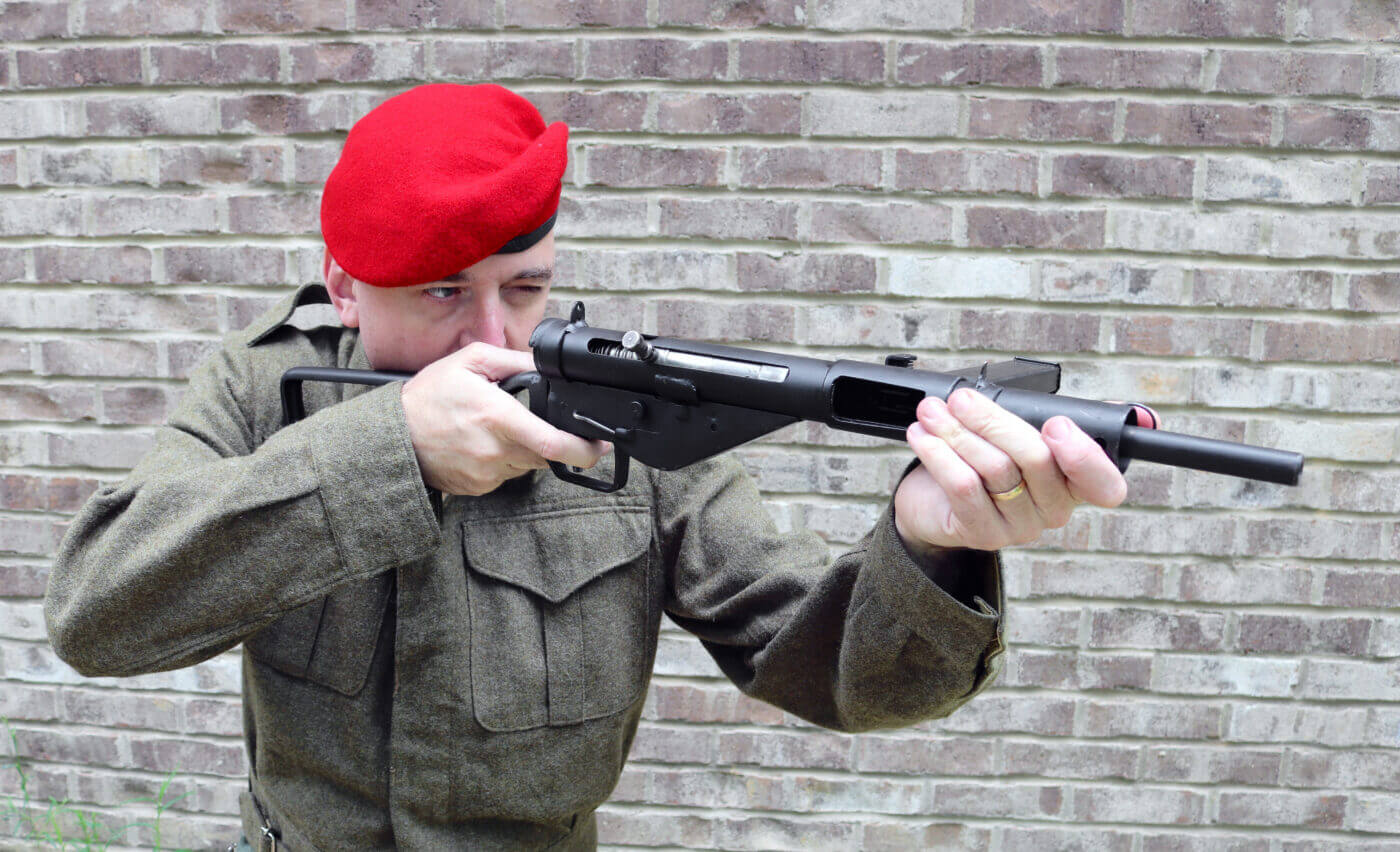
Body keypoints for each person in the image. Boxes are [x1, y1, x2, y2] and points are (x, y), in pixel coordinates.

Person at [46, 84, 1141, 851]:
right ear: (342, 288)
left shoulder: (626, 411)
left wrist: (929, 541)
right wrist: (389, 456)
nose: (494, 339)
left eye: (522, 287)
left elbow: (825, 672)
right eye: (440, 293)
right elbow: (97, 612)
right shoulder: (260, 389)